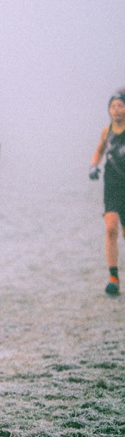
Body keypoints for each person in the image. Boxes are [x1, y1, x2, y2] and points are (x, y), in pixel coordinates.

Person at [89, 90, 125, 295]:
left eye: (120, 106)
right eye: (113, 107)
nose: (116, 110)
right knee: (111, 228)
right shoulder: (107, 131)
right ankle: (113, 278)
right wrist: (93, 165)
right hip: (111, 185)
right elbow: (100, 149)